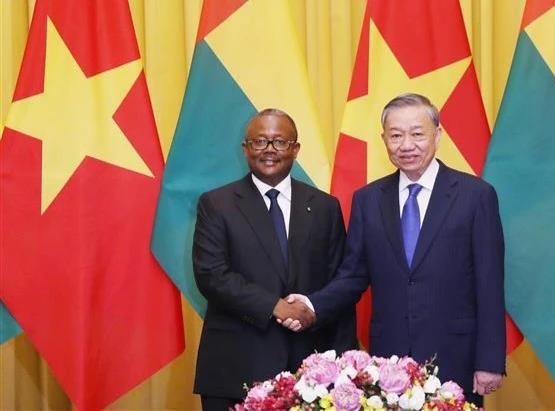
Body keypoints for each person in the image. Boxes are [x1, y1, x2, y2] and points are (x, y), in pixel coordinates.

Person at [284, 93, 506, 407]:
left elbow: (490, 283)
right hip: (388, 364)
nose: (406, 144)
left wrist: (490, 360)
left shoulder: (475, 196)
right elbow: (353, 275)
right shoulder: (368, 199)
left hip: (456, 357)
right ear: (384, 140)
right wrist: (311, 303)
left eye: (417, 134)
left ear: (438, 135)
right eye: (396, 135)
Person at [192, 108, 357, 410]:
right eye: (260, 142)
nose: (269, 150)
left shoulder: (325, 207)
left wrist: (345, 362)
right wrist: (275, 306)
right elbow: (211, 275)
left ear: (295, 149)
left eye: (279, 142)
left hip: (312, 370)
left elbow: (340, 281)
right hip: (236, 367)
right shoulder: (216, 204)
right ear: (245, 149)